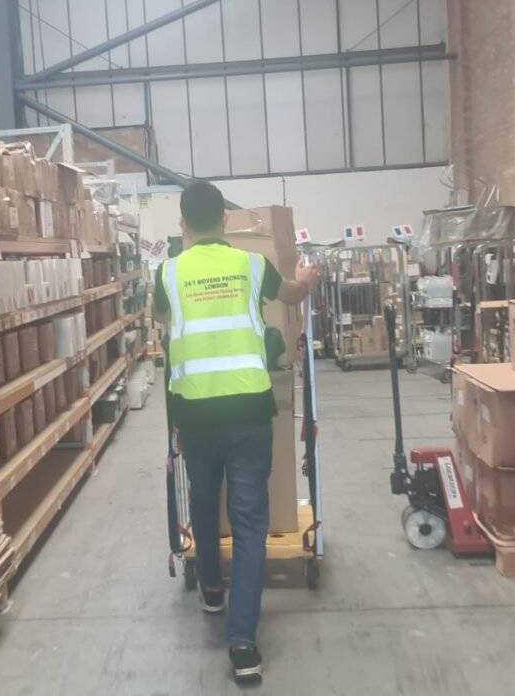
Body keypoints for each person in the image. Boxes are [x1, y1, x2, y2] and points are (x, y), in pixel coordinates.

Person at [154, 181, 319, 684]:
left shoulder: (167, 273)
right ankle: (243, 643)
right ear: (224, 221)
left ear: (183, 224)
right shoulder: (252, 265)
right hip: (248, 410)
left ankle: (210, 588)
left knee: (205, 502)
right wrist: (305, 279)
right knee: (248, 524)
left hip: (195, 412)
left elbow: (162, 324)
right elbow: (291, 294)